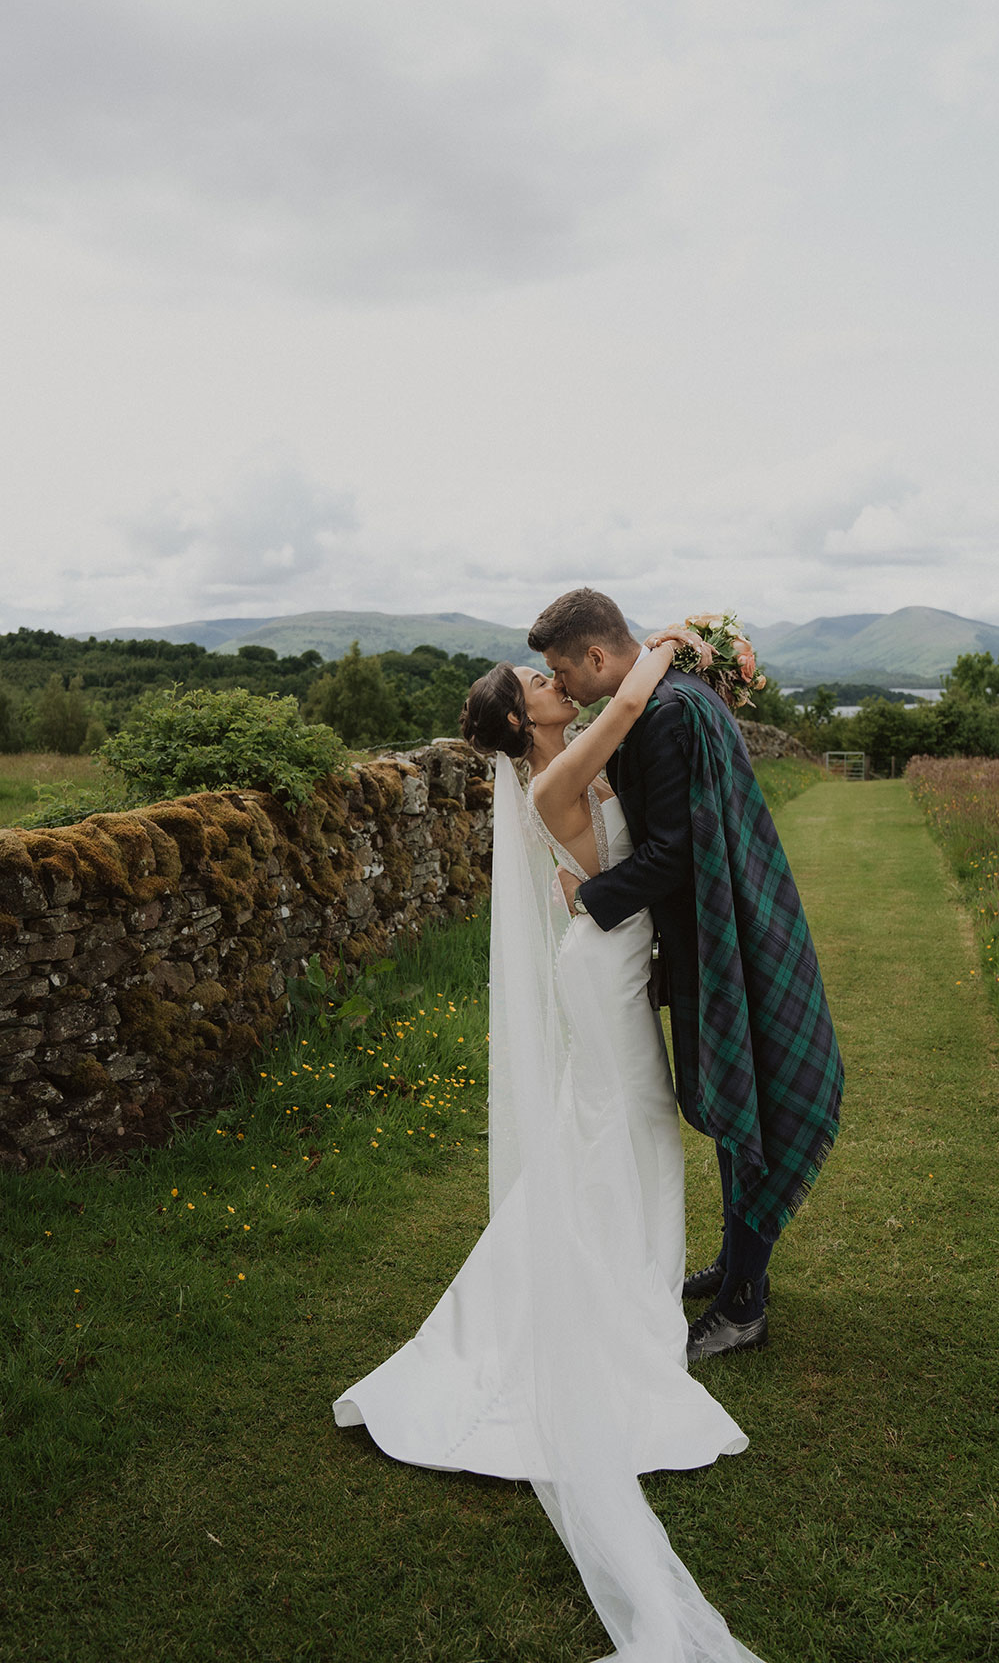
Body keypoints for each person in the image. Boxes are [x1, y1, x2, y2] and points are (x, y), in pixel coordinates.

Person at [334, 639, 763, 1662]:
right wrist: (667, 645)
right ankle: (621, 1300)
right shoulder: (560, 769)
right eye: (538, 683)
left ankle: (626, 1281)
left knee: (618, 1124)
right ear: (522, 723)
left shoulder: (564, 766)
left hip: (611, 956)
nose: (556, 685)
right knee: (627, 1123)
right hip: (605, 968)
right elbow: (622, 709)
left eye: (553, 674)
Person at [527, 588, 842, 1364]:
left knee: (750, 1104)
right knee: (740, 1101)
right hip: (729, 923)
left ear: (597, 657)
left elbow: (675, 853)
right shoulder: (678, 689)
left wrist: (590, 898)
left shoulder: (665, 715)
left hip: (722, 939)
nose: (561, 688)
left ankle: (743, 1305)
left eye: (564, 672)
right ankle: (738, 1268)